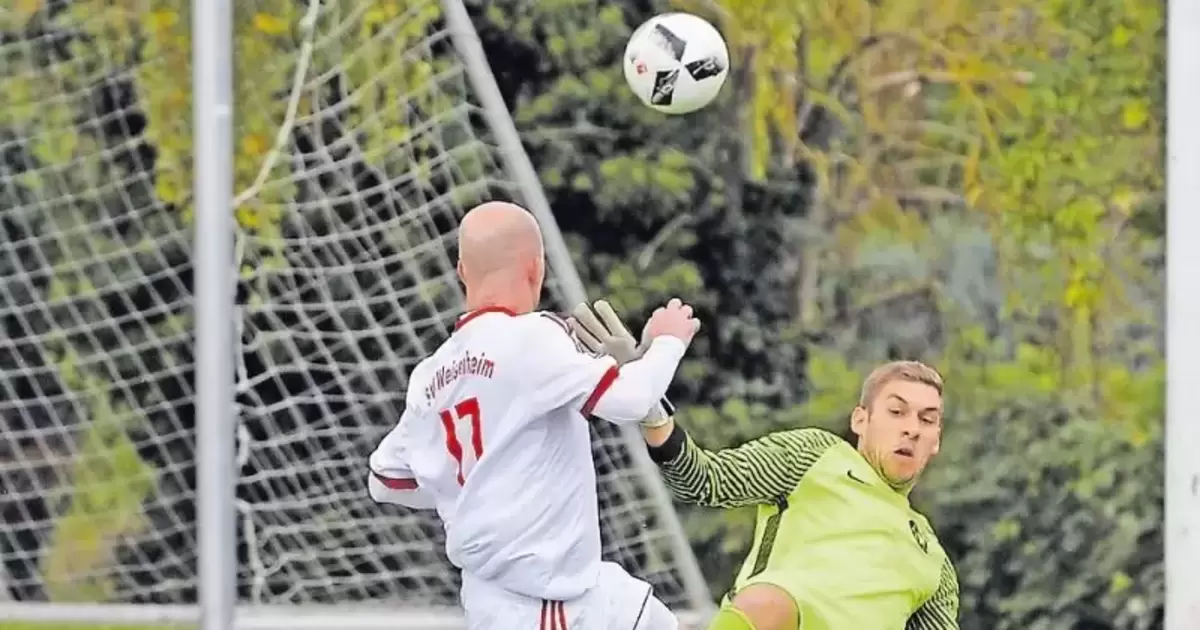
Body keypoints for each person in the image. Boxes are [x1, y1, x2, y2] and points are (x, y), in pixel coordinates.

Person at [366, 202, 700, 630]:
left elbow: (386, 481)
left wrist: (469, 489)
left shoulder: (430, 376)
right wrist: (667, 342)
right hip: (544, 602)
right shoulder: (533, 337)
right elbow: (631, 401)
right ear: (535, 268)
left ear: (462, 271)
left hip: (543, 594)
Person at [570, 300, 960, 630]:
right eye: (897, 411)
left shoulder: (935, 562)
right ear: (860, 420)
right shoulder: (816, 454)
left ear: (936, 441)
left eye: (927, 420)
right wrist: (650, 406)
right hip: (769, 618)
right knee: (768, 601)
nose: (911, 428)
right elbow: (704, 481)